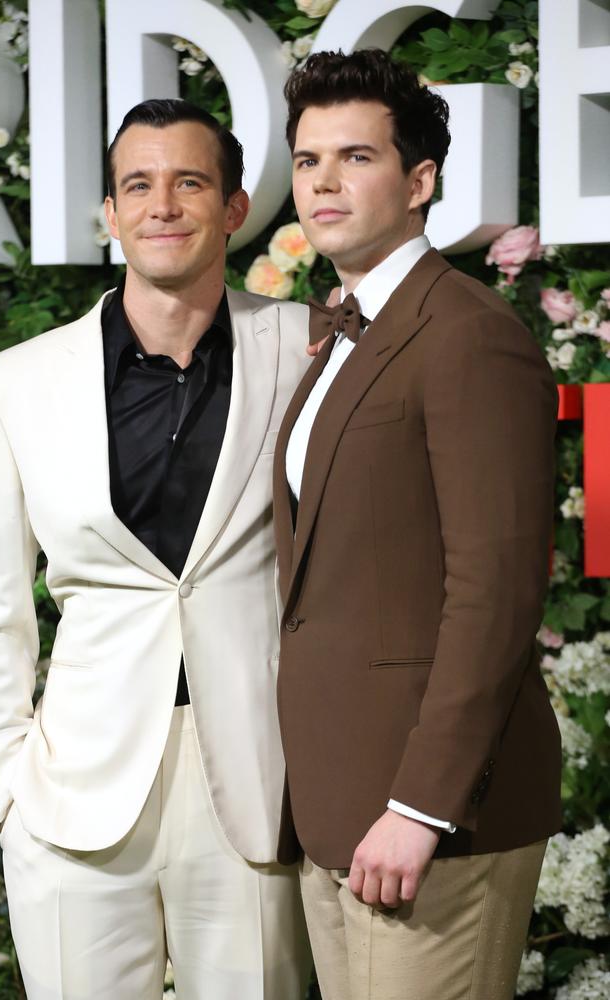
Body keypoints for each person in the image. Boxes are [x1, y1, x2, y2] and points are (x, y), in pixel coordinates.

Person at [0, 98, 311, 1000]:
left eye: (189, 182)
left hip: (256, 779)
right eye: (138, 186)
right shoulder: (17, 382)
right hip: (72, 790)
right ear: (111, 215)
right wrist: (4, 784)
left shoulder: (308, 346)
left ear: (233, 208)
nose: (162, 205)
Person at [272, 49, 561, 1000]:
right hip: (337, 805)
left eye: (356, 157)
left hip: (425, 817)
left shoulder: (470, 335)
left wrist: (420, 804)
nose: (324, 182)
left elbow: (496, 591)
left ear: (420, 180)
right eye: (309, 159)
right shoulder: (347, 332)